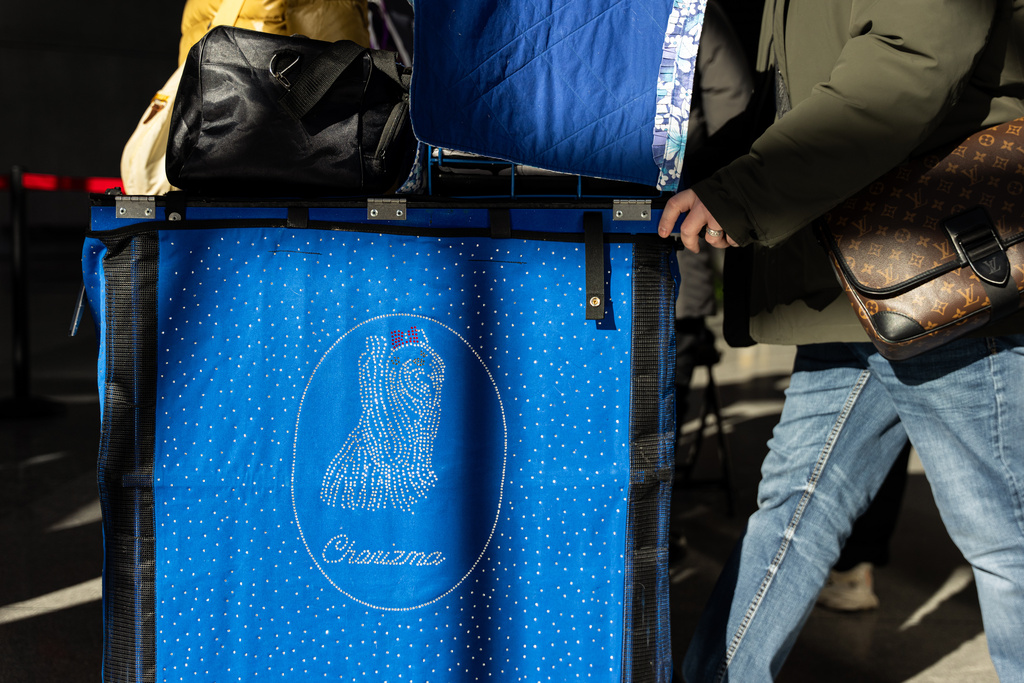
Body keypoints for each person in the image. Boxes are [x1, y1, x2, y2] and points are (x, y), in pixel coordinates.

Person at [657, 2, 1024, 681]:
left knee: (1006, 533)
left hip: (936, 264)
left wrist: (748, 190)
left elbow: (912, 57)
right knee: (793, 512)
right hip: (856, 273)